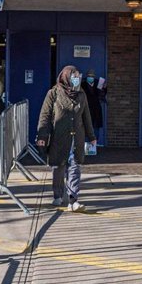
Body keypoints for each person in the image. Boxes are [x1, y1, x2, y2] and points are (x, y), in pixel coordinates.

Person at [36, 65, 97, 212]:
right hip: (59, 138)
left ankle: (73, 199)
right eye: (74, 77)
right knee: (58, 168)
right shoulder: (53, 93)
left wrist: (91, 136)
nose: (77, 80)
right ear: (66, 78)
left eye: (78, 77)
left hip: (77, 138)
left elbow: (86, 117)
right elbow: (45, 116)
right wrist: (42, 135)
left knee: (75, 167)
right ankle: (58, 195)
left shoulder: (81, 95)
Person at [80, 68, 106, 141]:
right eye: (89, 76)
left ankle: (93, 145)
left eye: (92, 76)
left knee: (95, 127)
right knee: (85, 126)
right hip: (86, 108)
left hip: (96, 109)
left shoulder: (98, 83)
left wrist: (104, 88)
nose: (90, 77)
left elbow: (102, 95)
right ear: (87, 76)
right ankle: (85, 145)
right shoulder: (82, 85)